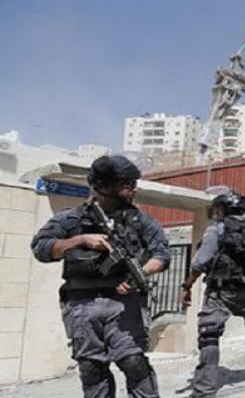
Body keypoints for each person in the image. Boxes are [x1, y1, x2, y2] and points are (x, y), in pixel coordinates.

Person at [31, 155, 170, 398]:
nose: (133, 189)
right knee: (92, 368)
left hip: (124, 303)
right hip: (81, 304)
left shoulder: (140, 220)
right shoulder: (72, 218)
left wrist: (142, 273)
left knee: (134, 363)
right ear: (105, 186)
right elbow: (41, 248)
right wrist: (81, 240)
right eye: (127, 184)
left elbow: (162, 253)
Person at [180, 189, 245, 397]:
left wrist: (187, 285)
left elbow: (200, 263)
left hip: (219, 292)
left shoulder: (217, 230)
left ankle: (204, 389)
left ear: (222, 209)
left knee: (209, 336)